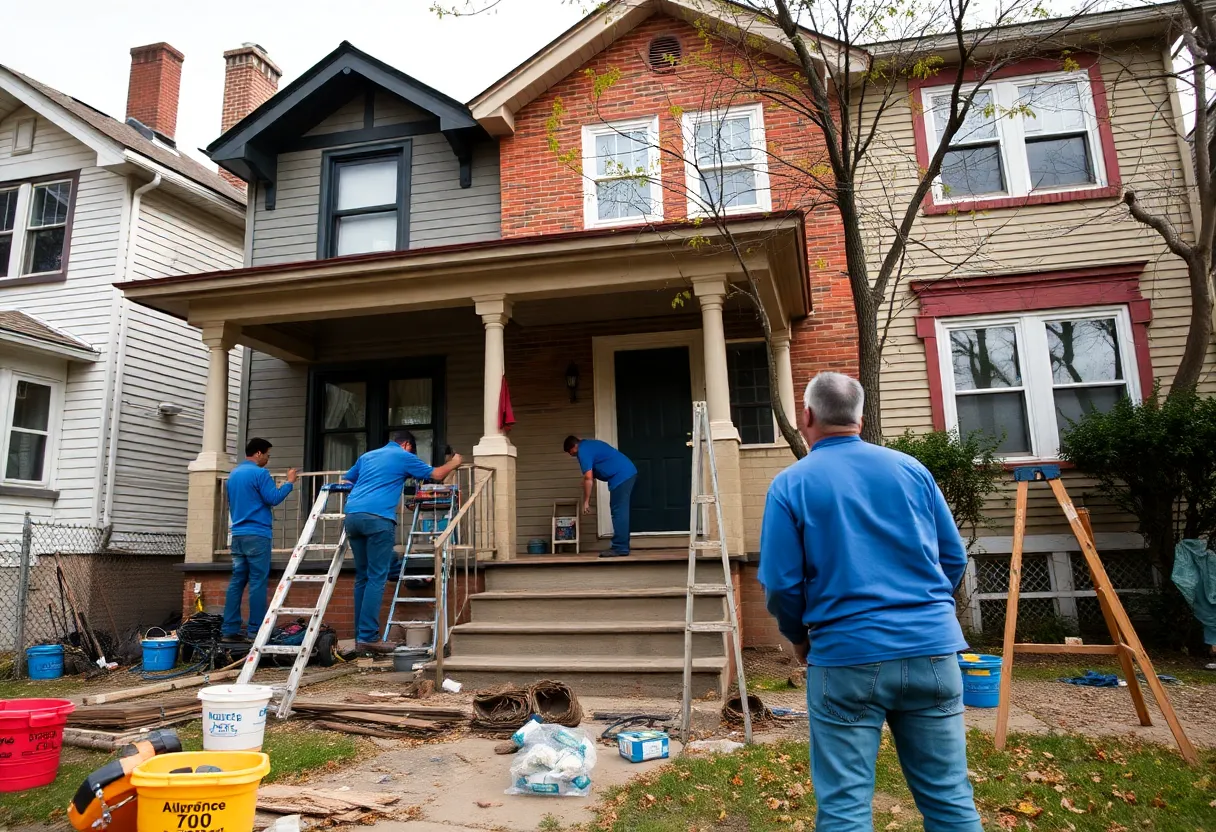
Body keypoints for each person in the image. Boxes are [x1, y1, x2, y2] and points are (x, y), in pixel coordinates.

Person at [758, 372, 981, 832]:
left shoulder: (791, 483)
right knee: (950, 798)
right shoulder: (912, 470)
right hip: (933, 652)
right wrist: (931, 612)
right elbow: (953, 557)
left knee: (844, 806)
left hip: (845, 657)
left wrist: (799, 637)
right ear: (860, 417)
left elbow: (781, 584)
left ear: (807, 417)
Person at [343, 430, 463, 653]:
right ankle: (368, 637)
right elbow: (436, 475)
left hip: (352, 516)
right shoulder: (403, 456)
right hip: (378, 518)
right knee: (377, 577)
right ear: (407, 445)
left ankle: (361, 636)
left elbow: (347, 479)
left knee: (363, 576)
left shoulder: (368, 456)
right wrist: (454, 463)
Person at [223, 437, 297, 642]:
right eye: (267, 455)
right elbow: (273, 498)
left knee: (237, 580)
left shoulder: (234, 474)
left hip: (237, 534)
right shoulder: (260, 473)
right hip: (257, 534)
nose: (267, 459)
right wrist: (289, 482)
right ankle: (255, 630)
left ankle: (229, 629)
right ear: (258, 453)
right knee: (257, 581)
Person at [563, 435, 637, 558]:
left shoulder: (583, 451)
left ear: (573, 448)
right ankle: (621, 545)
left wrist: (586, 501)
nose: (573, 456)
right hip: (626, 472)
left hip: (622, 475)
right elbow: (593, 472)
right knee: (619, 510)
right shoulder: (588, 444)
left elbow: (588, 478)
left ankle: (620, 548)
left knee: (619, 511)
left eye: (571, 453)